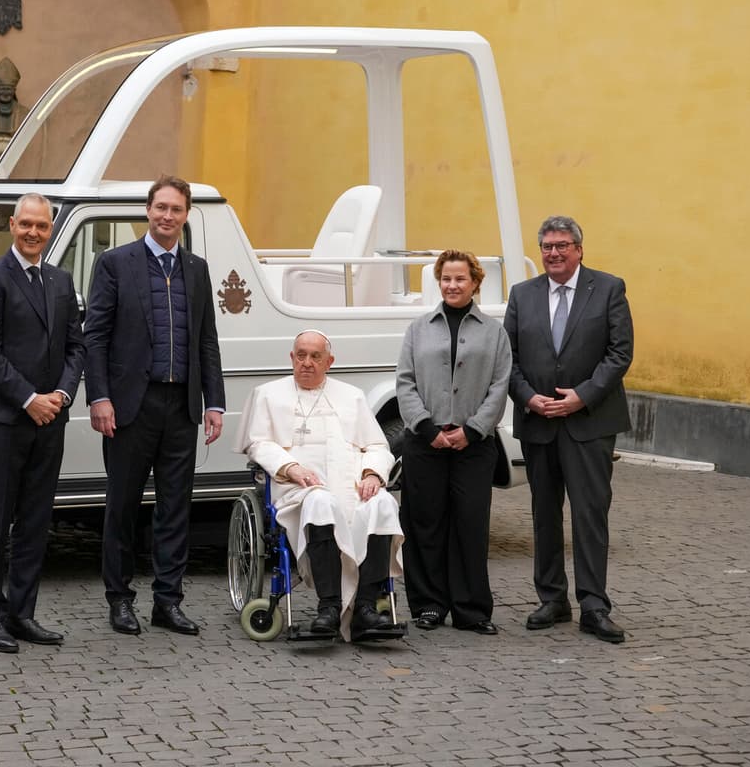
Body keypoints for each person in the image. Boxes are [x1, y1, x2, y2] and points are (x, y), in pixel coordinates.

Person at [83, 175, 226, 637]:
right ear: (147, 210)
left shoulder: (197, 269)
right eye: (161, 207)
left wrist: (215, 403)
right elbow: (96, 336)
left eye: (177, 210)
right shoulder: (114, 264)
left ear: (186, 215)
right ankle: (119, 599)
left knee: (174, 507)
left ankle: (168, 601)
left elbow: (207, 339)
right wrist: (99, 397)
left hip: (181, 405)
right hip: (129, 407)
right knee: (122, 505)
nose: (168, 217)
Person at [504, 215, 634, 644]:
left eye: (562, 245)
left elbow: (620, 353)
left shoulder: (609, 288)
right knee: (544, 515)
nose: (554, 253)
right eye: (546, 247)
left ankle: (594, 606)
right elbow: (509, 358)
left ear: (579, 248)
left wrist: (582, 395)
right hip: (538, 422)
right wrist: (527, 397)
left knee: (589, 514)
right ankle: (552, 599)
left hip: (590, 423)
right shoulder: (522, 294)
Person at [0, 193, 85, 653]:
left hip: (50, 419)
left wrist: (62, 394)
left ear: (50, 230)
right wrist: (29, 399)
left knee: (36, 520)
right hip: (3, 420)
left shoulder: (60, 280)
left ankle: (22, 614)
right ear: (12, 225)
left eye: (42, 226)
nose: (33, 232)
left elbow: (77, 347)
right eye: (26, 224)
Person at [235, 330, 404, 640]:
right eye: (301, 355)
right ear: (291, 358)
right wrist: (290, 467)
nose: (307, 363)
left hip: (352, 486)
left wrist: (372, 475)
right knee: (321, 503)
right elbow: (258, 444)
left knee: (382, 504)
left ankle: (366, 607)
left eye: (315, 357)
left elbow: (378, 447)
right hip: (297, 489)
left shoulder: (351, 395)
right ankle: (328, 606)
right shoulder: (268, 395)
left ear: (330, 362)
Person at [396, 251, 511, 635]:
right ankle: (428, 604)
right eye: (446, 278)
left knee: (470, 523)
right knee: (425, 523)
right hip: (425, 441)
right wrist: (429, 429)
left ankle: (472, 609)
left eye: (460, 279)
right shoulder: (419, 328)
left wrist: (474, 430)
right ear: (438, 281)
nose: (452, 285)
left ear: (476, 283)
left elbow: (500, 385)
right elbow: (405, 382)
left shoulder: (494, 332)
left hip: (473, 445)